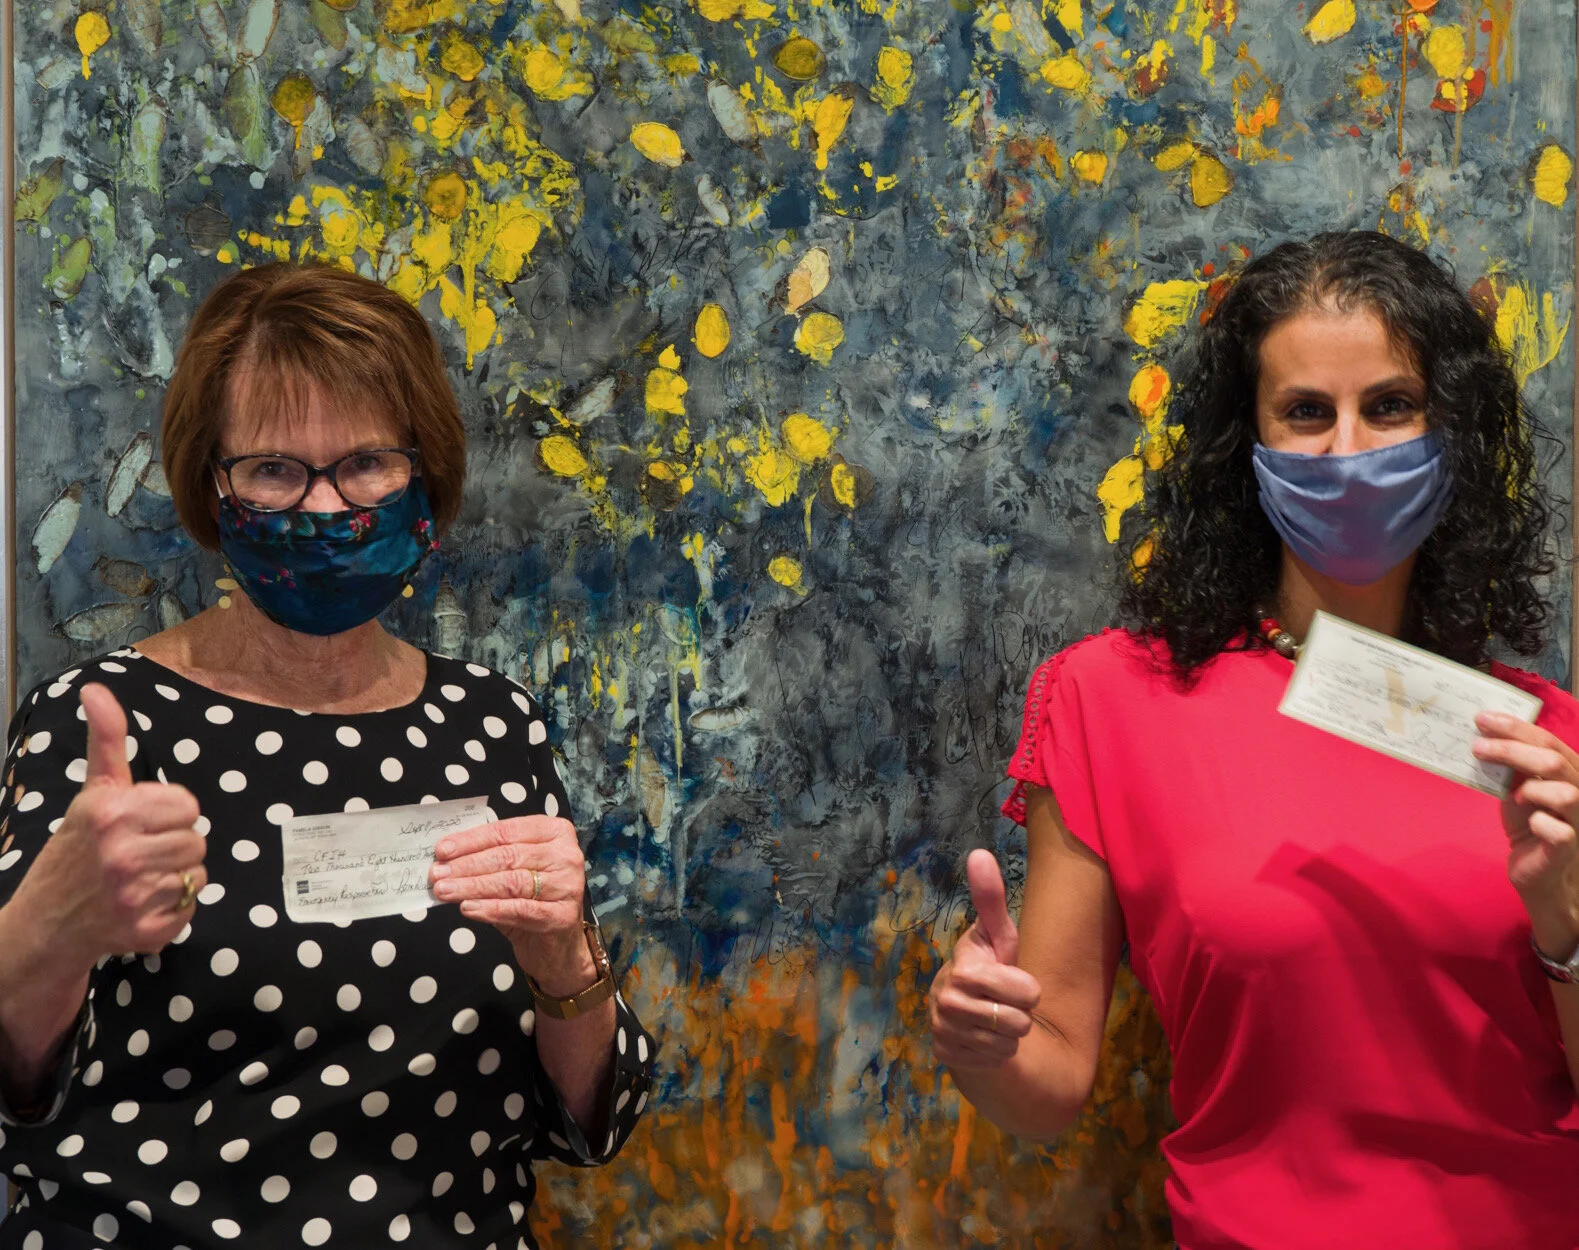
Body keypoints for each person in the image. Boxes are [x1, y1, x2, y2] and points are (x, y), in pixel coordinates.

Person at [928, 232, 1579, 1247]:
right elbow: (1047, 1087)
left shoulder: (1546, 746)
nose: (1349, 450)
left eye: (1390, 406)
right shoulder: (1111, 700)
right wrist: (980, 1036)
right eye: (1306, 412)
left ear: (1449, 430)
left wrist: (1565, 923)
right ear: (1249, 442)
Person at [0, 263, 656, 1249]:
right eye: (274, 469)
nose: (323, 507)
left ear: (421, 474)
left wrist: (564, 955)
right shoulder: (104, 725)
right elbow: (16, 1082)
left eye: (365, 464)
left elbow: (589, 1121)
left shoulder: (490, 724)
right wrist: (47, 928)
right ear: (212, 483)